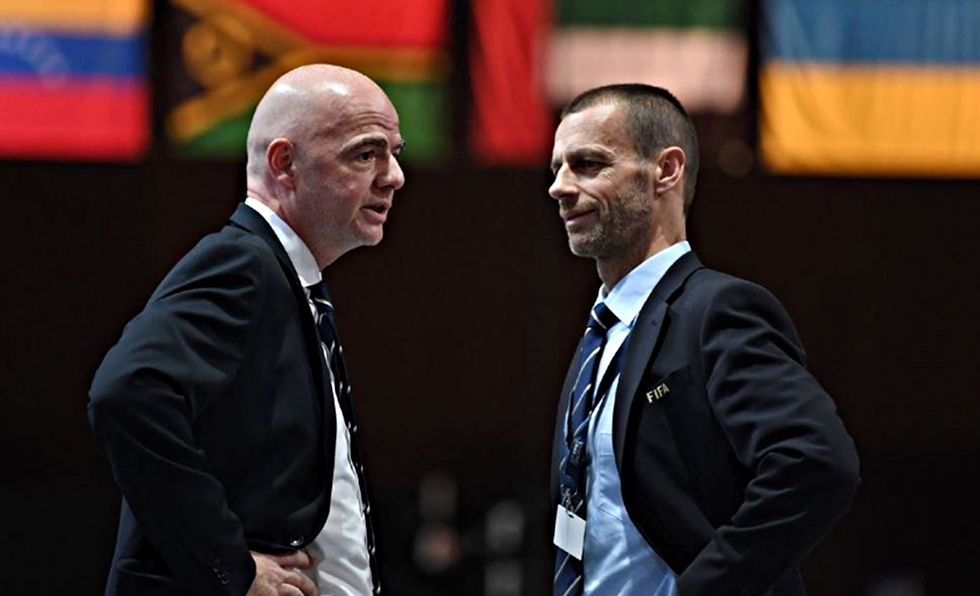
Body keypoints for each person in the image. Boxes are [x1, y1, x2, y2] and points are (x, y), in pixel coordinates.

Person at [88, 64, 405, 595]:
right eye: (365, 154)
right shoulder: (243, 262)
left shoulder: (288, 279)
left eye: (395, 153)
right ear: (285, 164)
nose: (394, 175)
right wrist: (229, 567)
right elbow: (126, 392)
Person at [547, 84, 860, 596]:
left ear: (666, 170)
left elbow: (816, 463)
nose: (559, 187)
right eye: (557, 168)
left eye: (587, 164)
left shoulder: (718, 310)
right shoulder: (598, 337)